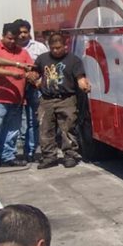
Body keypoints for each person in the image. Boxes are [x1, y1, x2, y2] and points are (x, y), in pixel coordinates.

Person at [32, 32, 91, 169]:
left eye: (58, 48)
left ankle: (70, 155)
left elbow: (80, 77)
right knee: (45, 128)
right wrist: (33, 77)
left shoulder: (74, 60)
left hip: (67, 98)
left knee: (67, 128)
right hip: (47, 99)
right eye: (53, 48)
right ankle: (49, 156)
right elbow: (35, 72)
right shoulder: (42, 59)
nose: (55, 51)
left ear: (65, 46)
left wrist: (83, 84)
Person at [0, 23, 32, 168]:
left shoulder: (22, 52)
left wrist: (32, 74)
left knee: (12, 130)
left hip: (16, 98)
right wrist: (11, 72)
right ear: (3, 36)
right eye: (9, 38)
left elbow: (29, 67)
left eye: (15, 39)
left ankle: (8, 156)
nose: (12, 42)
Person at [15, 20, 47, 161]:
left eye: (25, 32)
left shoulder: (39, 47)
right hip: (16, 88)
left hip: (34, 88)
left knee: (33, 120)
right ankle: (17, 150)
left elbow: (48, 66)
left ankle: (31, 151)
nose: (22, 35)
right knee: (18, 120)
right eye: (20, 32)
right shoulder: (12, 47)